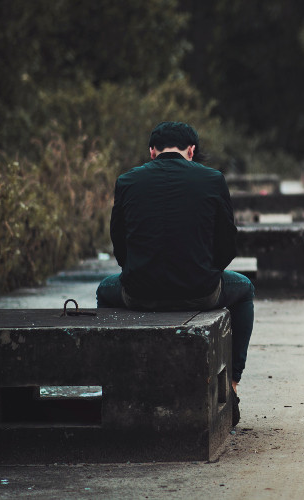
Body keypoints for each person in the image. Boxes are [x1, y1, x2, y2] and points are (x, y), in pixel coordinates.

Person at [96, 121, 253, 424]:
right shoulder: (213, 179)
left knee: (105, 289)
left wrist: (140, 273)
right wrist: (204, 271)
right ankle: (232, 382)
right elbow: (228, 245)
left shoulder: (127, 180)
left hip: (138, 294)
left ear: (152, 151)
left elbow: (119, 246)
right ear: (191, 150)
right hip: (201, 293)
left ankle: (115, 385)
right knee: (244, 289)